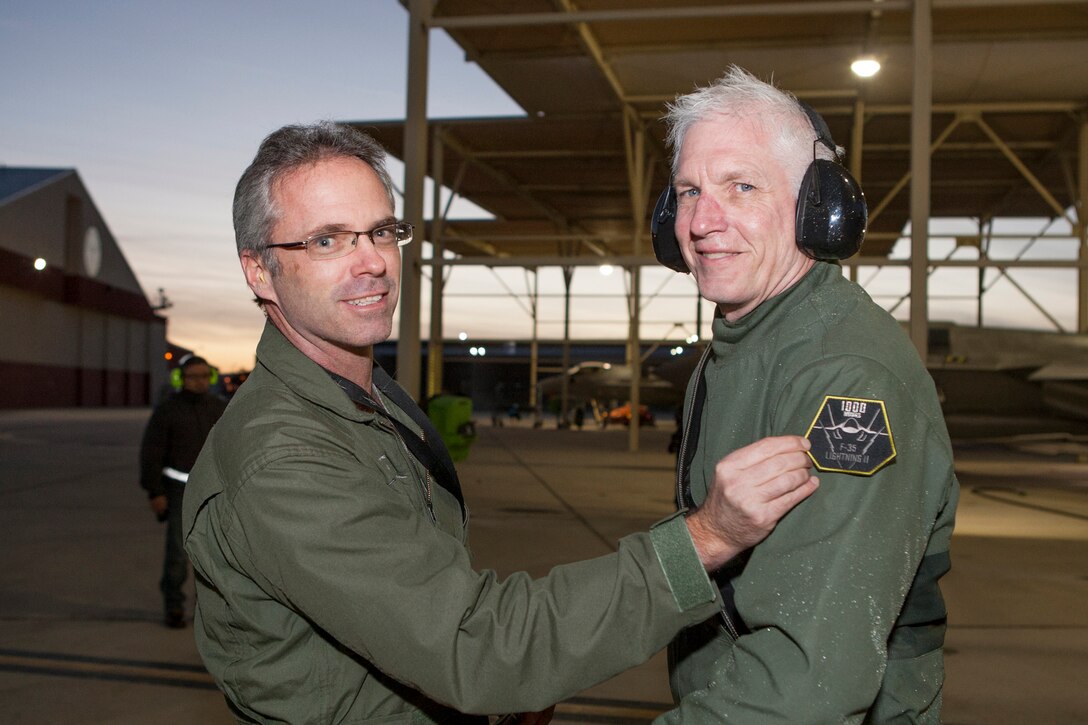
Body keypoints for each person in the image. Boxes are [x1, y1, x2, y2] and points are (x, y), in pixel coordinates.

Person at [182, 121, 820, 724]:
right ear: (259, 270)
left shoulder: (366, 394)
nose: (371, 262)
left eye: (380, 232)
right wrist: (703, 540)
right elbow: (475, 646)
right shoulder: (284, 459)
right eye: (326, 240)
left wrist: (493, 703)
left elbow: (426, 606)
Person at [649, 66, 960, 722]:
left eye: (741, 186)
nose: (704, 220)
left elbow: (804, 687)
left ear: (815, 206)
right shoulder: (742, 344)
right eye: (688, 191)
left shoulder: (846, 378)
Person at [139, 353, 227, 628]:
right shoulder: (167, 411)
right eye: (193, 377)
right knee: (178, 553)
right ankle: (174, 606)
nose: (200, 382)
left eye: (205, 376)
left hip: (216, 493)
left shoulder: (220, 408)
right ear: (181, 379)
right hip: (179, 493)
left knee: (216, 556)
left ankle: (213, 614)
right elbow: (151, 453)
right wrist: (155, 492)